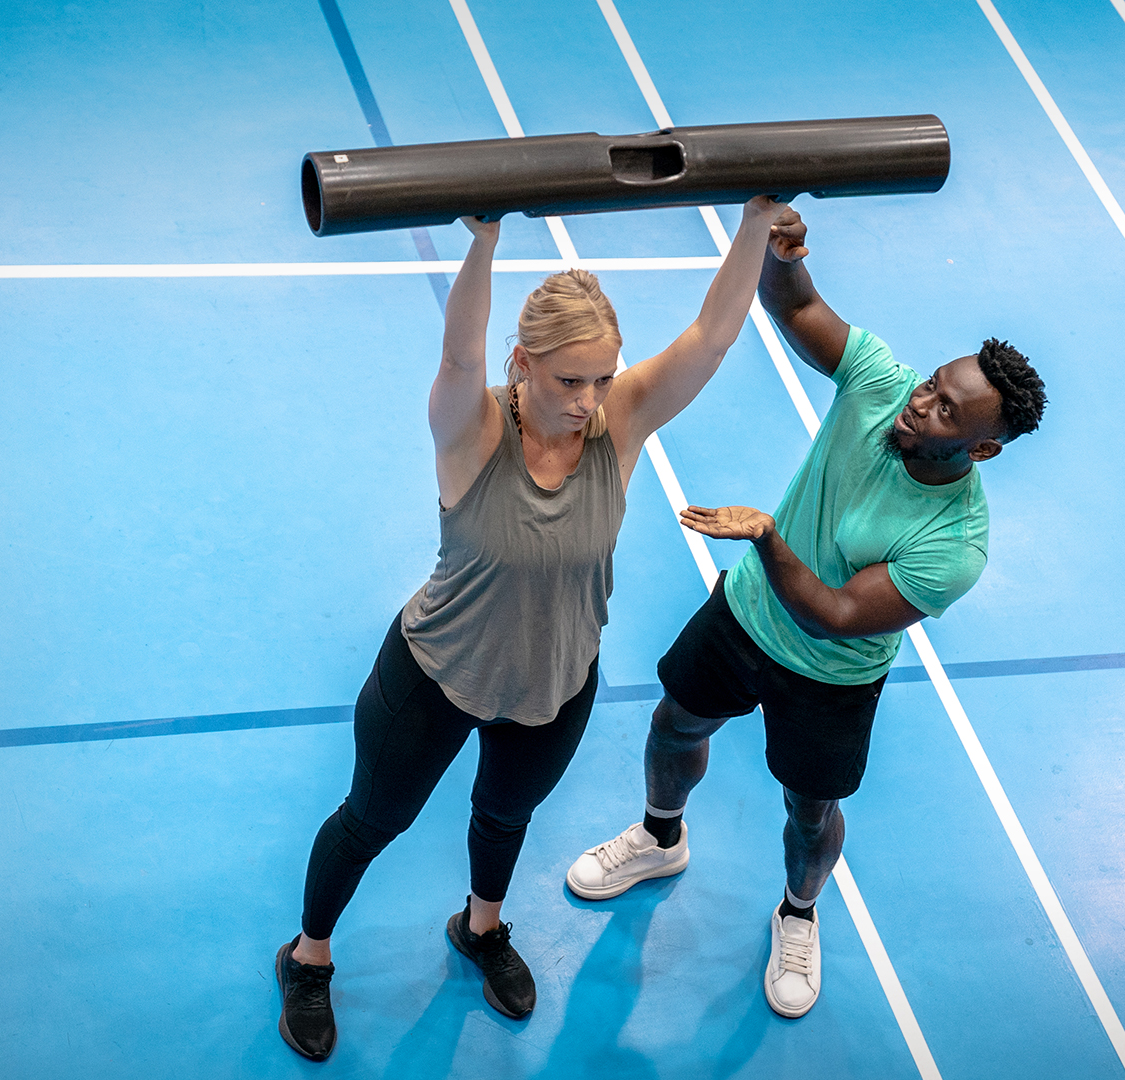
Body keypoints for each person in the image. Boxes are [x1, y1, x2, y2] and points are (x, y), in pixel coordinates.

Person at [274, 195, 788, 1061]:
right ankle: (308, 956)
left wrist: (753, 224)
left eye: (601, 377)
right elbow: (456, 350)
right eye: (568, 380)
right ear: (522, 365)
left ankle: (481, 929)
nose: (589, 400)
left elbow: (712, 339)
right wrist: (482, 241)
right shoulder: (470, 429)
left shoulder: (618, 425)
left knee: (503, 818)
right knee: (371, 820)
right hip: (436, 675)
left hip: (556, 682)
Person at [565, 207, 1047, 1018]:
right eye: (932, 383)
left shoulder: (954, 543)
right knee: (675, 722)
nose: (921, 403)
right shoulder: (883, 386)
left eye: (945, 413)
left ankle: (798, 913)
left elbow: (830, 614)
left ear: (982, 449)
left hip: (831, 672)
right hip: (745, 617)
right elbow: (795, 307)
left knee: (810, 809)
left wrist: (767, 536)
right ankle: (659, 837)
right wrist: (778, 251)